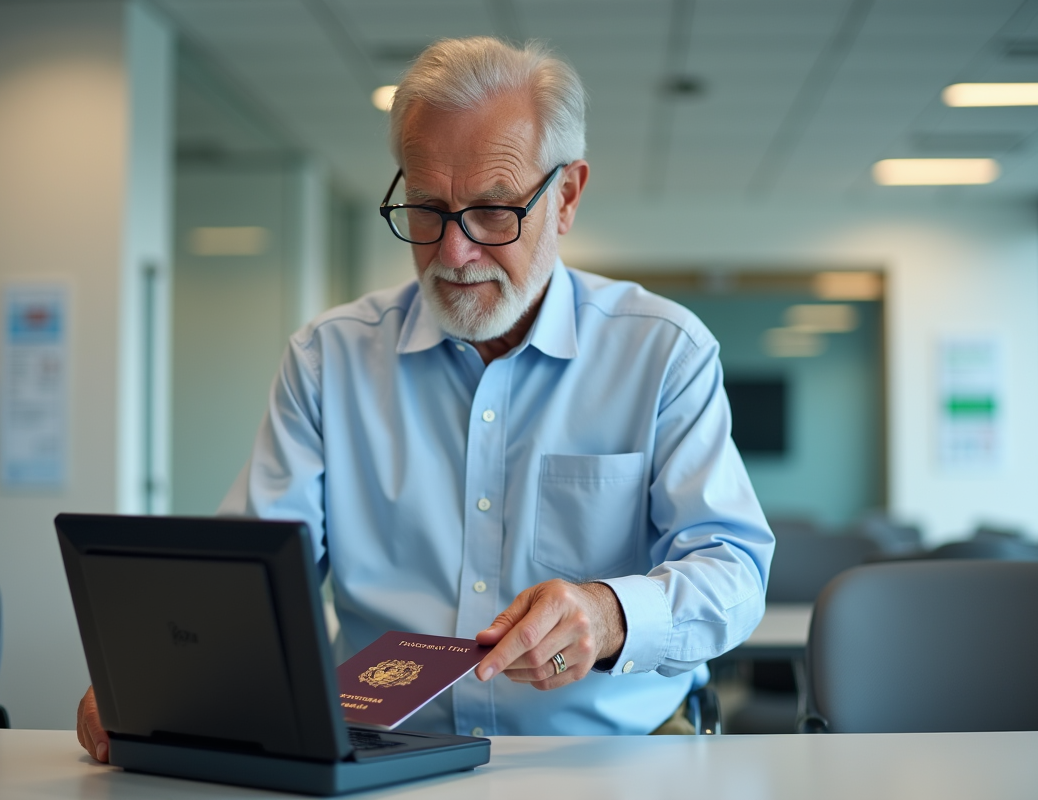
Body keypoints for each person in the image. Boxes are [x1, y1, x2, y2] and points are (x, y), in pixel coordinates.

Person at [77, 36, 773, 760]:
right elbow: (252, 579)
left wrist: (610, 614)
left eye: (494, 211)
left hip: (613, 756)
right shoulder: (329, 360)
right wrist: (157, 673)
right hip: (383, 756)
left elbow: (733, 570)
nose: (453, 253)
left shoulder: (662, 352)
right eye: (426, 208)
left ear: (566, 197)